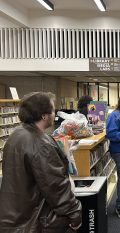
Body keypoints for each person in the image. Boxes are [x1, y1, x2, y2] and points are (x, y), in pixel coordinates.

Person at [0, 92, 82, 233]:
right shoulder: (41, 144)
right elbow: (56, 186)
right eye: (52, 110)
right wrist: (75, 215)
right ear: (44, 115)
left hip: (16, 219)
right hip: (37, 221)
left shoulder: (15, 136)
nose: (54, 113)